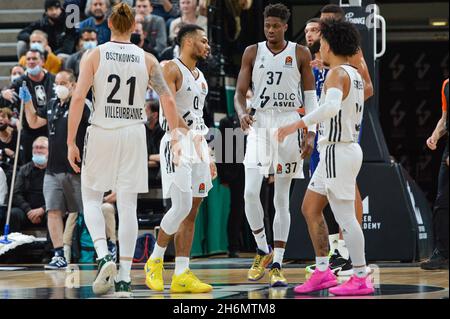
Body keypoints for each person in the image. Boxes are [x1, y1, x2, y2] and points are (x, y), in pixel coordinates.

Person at [67, 2, 186, 297]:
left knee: (91, 198)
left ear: (108, 25)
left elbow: (78, 98)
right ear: (134, 27)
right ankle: (122, 278)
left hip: (102, 131)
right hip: (134, 131)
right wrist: (175, 136)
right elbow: (168, 101)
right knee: (129, 206)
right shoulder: (147, 59)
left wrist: (70, 141)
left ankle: (102, 254)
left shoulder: (93, 55)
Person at [277, 19, 374, 296]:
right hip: (339, 149)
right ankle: (322, 272)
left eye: (321, 43)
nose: (319, 48)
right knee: (310, 208)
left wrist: (295, 125)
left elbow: (330, 108)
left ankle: (360, 275)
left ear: (329, 45)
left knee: (346, 219)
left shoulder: (336, 74)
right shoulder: (354, 72)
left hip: (337, 150)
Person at [234, 3, 317, 287]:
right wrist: (242, 112)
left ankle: (279, 262)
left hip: (288, 124)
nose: (270, 30)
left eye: (275, 25)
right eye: (267, 25)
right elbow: (239, 94)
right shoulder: (251, 52)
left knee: (281, 198)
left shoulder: (300, 53)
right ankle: (261, 249)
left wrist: (310, 131)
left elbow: (310, 97)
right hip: (260, 124)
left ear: (285, 26)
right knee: (248, 193)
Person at [145, 24, 215, 294]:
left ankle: (182, 272)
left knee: (193, 209)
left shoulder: (201, 76)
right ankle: (155, 259)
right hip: (176, 142)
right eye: (203, 41)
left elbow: (198, 119)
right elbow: (171, 113)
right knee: (182, 205)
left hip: (197, 143)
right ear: (188, 42)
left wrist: (207, 151)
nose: (207, 46)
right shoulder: (170, 68)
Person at [19, 70, 90, 269]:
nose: (59, 86)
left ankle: (104, 248)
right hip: (52, 169)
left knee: (87, 211)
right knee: (53, 210)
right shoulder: (51, 104)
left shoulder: (82, 104)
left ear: (73, 85)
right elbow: (33, 122)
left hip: (76, 168)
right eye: (57, 82)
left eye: (64, 82)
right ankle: (59, 254)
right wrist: (27, 102)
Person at [0, 49, 54, 163]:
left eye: (34, 58)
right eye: (28, 59)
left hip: (51, 129)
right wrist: (2, 95)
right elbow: (6, 100)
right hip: (29, 132)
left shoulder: (53, 79)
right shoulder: (20, 82)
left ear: (43, 61)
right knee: (28, 164)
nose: (31, 61)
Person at [421, 78, 449, 270]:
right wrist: (435, 136)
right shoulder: (447, 85)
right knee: (442, 201)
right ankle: (442, 253)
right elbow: (445, 119)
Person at [0, 137, 48, 233]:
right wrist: (29, 211)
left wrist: (42, 209)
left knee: (55, 214)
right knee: (13, 213)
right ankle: (15, 247)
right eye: (35, 147)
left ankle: (52, 247)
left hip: (47, 210)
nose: (37, 150)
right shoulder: (24, 170)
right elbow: (16, 194)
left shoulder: (55, 171)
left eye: (41, 148)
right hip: (26, 211)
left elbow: (59, 196)